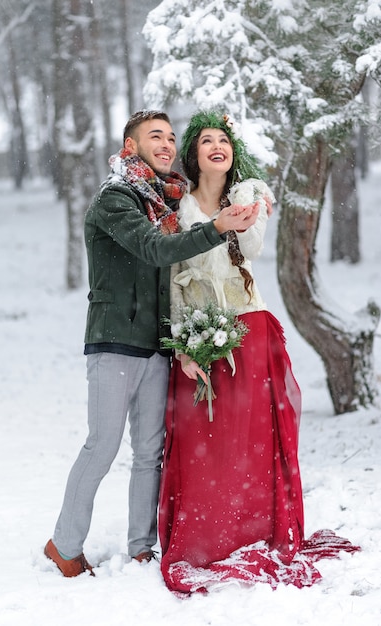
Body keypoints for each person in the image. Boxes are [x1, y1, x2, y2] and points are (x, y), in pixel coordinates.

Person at [44, 110, 260, 577]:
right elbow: (154, 250)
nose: (165, 144)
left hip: (156, 347)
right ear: (130, 146)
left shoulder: (165, 204)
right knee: (102, 445)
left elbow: (172, 275)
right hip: (115, 341)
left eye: (170, 136)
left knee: (149, 452)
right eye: (153, 136)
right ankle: (63, 544)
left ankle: (141, 546)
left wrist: (179, 343)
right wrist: (216, 227)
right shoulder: (115, 199)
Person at [158, 110, 360, 594]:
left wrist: (248, 205)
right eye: (206, 139)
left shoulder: (248, 196)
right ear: (194, 153)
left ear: (233, 153)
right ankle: (209, 535)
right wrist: (184, 347)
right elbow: (175, 284)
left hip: (248, 326)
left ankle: (253, 530)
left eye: (224, 139)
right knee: (205, 439)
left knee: (253, 439)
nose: (216, 145)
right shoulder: (178, 212)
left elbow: (249, 250)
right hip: (200, 333)